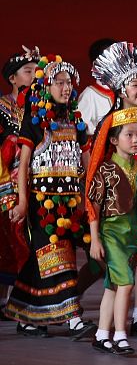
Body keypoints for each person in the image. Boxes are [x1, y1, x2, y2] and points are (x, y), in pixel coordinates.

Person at [4, 55, 95, 339]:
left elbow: (86, 162)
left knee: (42, 261)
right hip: (41, 204)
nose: (66, 88)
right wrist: (21, 201)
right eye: (59, 83)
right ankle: (73, 318)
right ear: (46, 86)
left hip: (70, 204)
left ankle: (25, 314)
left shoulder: (76, 122)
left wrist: (86, 200)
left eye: (69, 83)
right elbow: (24, 164)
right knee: (56, 257)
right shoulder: (35, 121)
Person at [87, 108, 137, 355]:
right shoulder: (106, 171)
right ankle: (120, 335)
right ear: (113, 140)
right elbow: (94, 207)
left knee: (113, 285)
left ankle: (101, 334)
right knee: (126, 282)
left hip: (131, 235)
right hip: (111, 234)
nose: (136, 140)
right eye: (129, 135)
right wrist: (95, 239)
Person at [0, 46, 39, 293]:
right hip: (7, 181)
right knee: (9, 238)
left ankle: (21, 298)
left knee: (28, 240)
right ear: (12, 78)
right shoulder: (2, 107)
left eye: (37, 71)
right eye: (28, 71)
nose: (34, 76)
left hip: (33, 181)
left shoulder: (39, 108)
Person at [76, 38, 117, 137]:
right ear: (96, 65)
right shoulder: (89, 94)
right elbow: (80, 127)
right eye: (110, 60)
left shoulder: (123, 92)